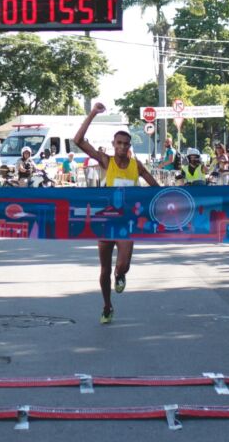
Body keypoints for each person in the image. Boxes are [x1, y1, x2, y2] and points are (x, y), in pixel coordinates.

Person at [74, 102, 160, 325]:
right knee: (103, 269)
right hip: (106, 221)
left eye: (125, 144)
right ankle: (107, 306)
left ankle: (120, 275)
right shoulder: (106, 161)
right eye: (118, 143)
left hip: (126, 223)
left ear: (129, 146)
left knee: (122, 265)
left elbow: (157, 189)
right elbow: (78, 141)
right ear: (113, 144)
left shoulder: (136, 165)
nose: (122, 147)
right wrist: (93, 113)